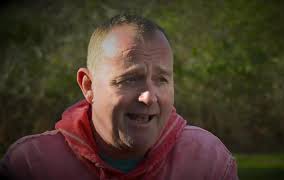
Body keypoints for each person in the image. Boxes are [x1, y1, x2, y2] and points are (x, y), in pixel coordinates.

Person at [0, 14, 238, 180]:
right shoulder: (31, 165)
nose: (148, 97)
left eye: (162, 80)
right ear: (88, 85)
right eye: (130, 79)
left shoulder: (208, 161)